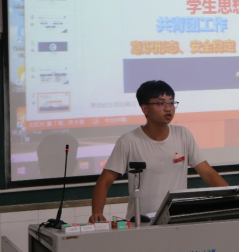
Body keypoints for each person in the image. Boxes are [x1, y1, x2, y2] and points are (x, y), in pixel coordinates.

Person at [89, 80, 228, 223]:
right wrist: (97, 213)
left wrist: (235, 199)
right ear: (145, 109)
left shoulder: (183, 135)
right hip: (141, 222)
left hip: (176, 218)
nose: (168, 108)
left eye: (171, 103)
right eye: (161, 103)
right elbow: (104, 182)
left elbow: (208, 173)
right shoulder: (128, 141)